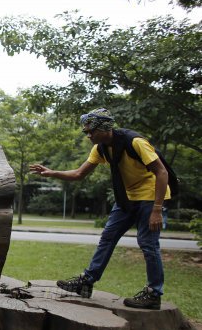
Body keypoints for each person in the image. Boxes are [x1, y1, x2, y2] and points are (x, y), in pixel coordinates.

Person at [29, 108, 170, 309]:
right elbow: (79, 173)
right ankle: (86, 282)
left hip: (150, 196)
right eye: (86, 132)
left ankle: (153, 294)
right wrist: (52, 173)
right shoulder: (101, 148)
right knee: (108, 237)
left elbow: (162, 172)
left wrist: (157, 209)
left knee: (148, 244)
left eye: (90, 131)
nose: (88, 136)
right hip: (126, 198)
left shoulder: (135, 142)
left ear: (104, 128)